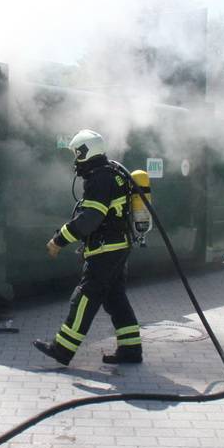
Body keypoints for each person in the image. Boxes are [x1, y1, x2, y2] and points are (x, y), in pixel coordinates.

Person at [33, 129, 143, 366]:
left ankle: (62, 348)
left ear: (85, 152)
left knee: (84, 296)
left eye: (76, 154)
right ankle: (131, 349)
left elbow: (90, 218)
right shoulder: (113, 173)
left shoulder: (100, 178)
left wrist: (58, 240)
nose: (75, 161)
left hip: (105, 249)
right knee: (115, 298)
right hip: (118, 246)